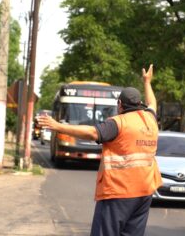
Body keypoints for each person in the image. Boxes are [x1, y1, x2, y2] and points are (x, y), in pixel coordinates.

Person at [36, 64, 162, 236]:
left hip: (119, 191)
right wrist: (147, 82)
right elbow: (152, 103)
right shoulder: (150, 119)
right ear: (139, 104)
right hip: (145, 191)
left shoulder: (119, 123)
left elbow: (91, 132)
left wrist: (57, 126)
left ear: (120, 105)